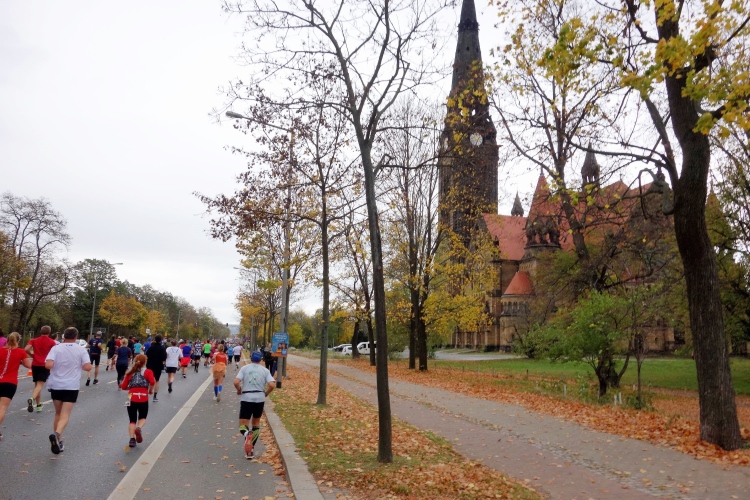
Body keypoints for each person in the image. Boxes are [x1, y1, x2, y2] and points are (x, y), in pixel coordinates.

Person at [45, 326, 92, 454]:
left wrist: (57, 365)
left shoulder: (56, 348)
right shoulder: (81, 350)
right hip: (71, 386)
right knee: (65, 415)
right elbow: (88, 367)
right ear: (76, 337)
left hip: (56, 385)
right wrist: (79, 365)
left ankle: (59, 440)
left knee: (58, 413)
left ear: (64, 336)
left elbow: (48, 365)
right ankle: (57, 434)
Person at [234, 350, 275, 459]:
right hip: (259, 398)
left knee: (243, 425)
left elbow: (236, 382)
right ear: (261, 359)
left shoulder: (244, 368)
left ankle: (247, 434)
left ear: (251, 358)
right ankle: (250, 451)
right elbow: (272, 385)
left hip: (247, 398)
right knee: (256, 423)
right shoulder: (265, 370)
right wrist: (266, 393)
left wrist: (239, 390)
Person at [0, 332, 32, 441]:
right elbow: (28, 365)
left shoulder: (0, 350)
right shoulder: (21, 352)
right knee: (2, 407)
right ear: (18, 340)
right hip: (9, 383)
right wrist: (20, 362)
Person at [120, 354, 155, 448]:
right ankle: (138, 428)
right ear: (145, 362)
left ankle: (132, 439)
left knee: (132, 420)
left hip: (130, 397)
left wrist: (132, 388)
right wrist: (150, 390)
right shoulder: (148, 372)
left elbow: (123, 387)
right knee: (143, 417)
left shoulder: (130, 372)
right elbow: (152, 382)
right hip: (143, 396)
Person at [25, 325, 57, 413]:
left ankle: (38, 405)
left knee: (37, 385)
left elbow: (26, 349)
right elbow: (55, 352)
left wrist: (32, 355)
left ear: (40, 331)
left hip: (35, 364)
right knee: (39, 385)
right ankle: (32, 399)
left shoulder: (34, 340)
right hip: (44, 364)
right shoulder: (51, 342)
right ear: (49, 332)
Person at [145, 334, 167, 402]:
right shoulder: (162, 348)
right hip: (158, 365)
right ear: (161, 340)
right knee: (157, 380)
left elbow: (146, 355)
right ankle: (155, 396)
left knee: (148, 380)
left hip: (150, 365)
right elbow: (164, 358)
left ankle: (146, 394)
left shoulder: (151, 348)